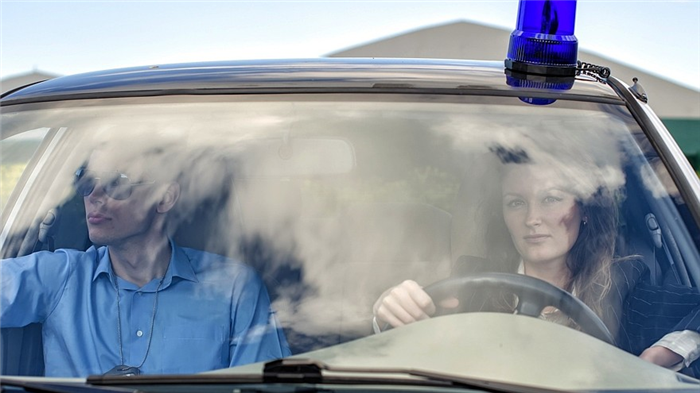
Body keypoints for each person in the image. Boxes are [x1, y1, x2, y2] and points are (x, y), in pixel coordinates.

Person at [372, 147, 700, 372]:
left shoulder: (625, 282)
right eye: (516, 203)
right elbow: (412, 343)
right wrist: (392, 307)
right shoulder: (469, 282)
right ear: (502, 214)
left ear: (583, 210)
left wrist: (667, 351)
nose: (532, 218)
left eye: (551, 199)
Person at [0, 143, 291, 377]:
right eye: (86, 181)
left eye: (118, 181)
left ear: (164, 198)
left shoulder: (233, 288)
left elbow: (262, 387)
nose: (95, 196)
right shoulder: (59, 275)